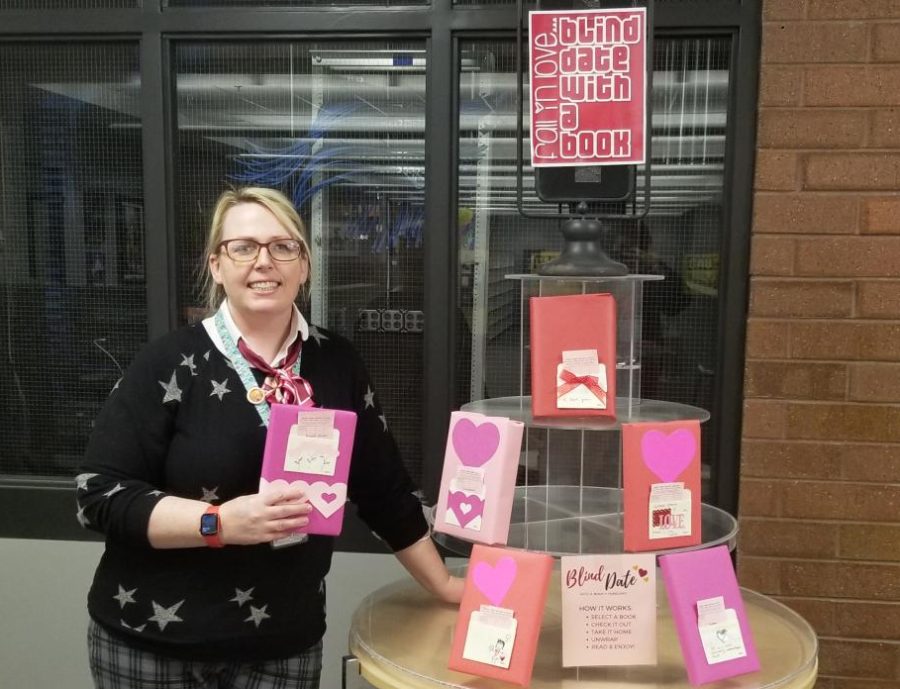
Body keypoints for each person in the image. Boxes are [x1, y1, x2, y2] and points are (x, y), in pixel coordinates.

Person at [76, 186, 463, 689]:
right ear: (217, 265)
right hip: (156, 643)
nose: (265, 262)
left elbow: (383, 490)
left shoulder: (336, 362)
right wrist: (218, 523)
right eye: (243, 247)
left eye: (283, 246)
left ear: (304, 266)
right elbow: (98, 496)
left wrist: (445, 584)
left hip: (282, 643)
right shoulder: (169, 362)